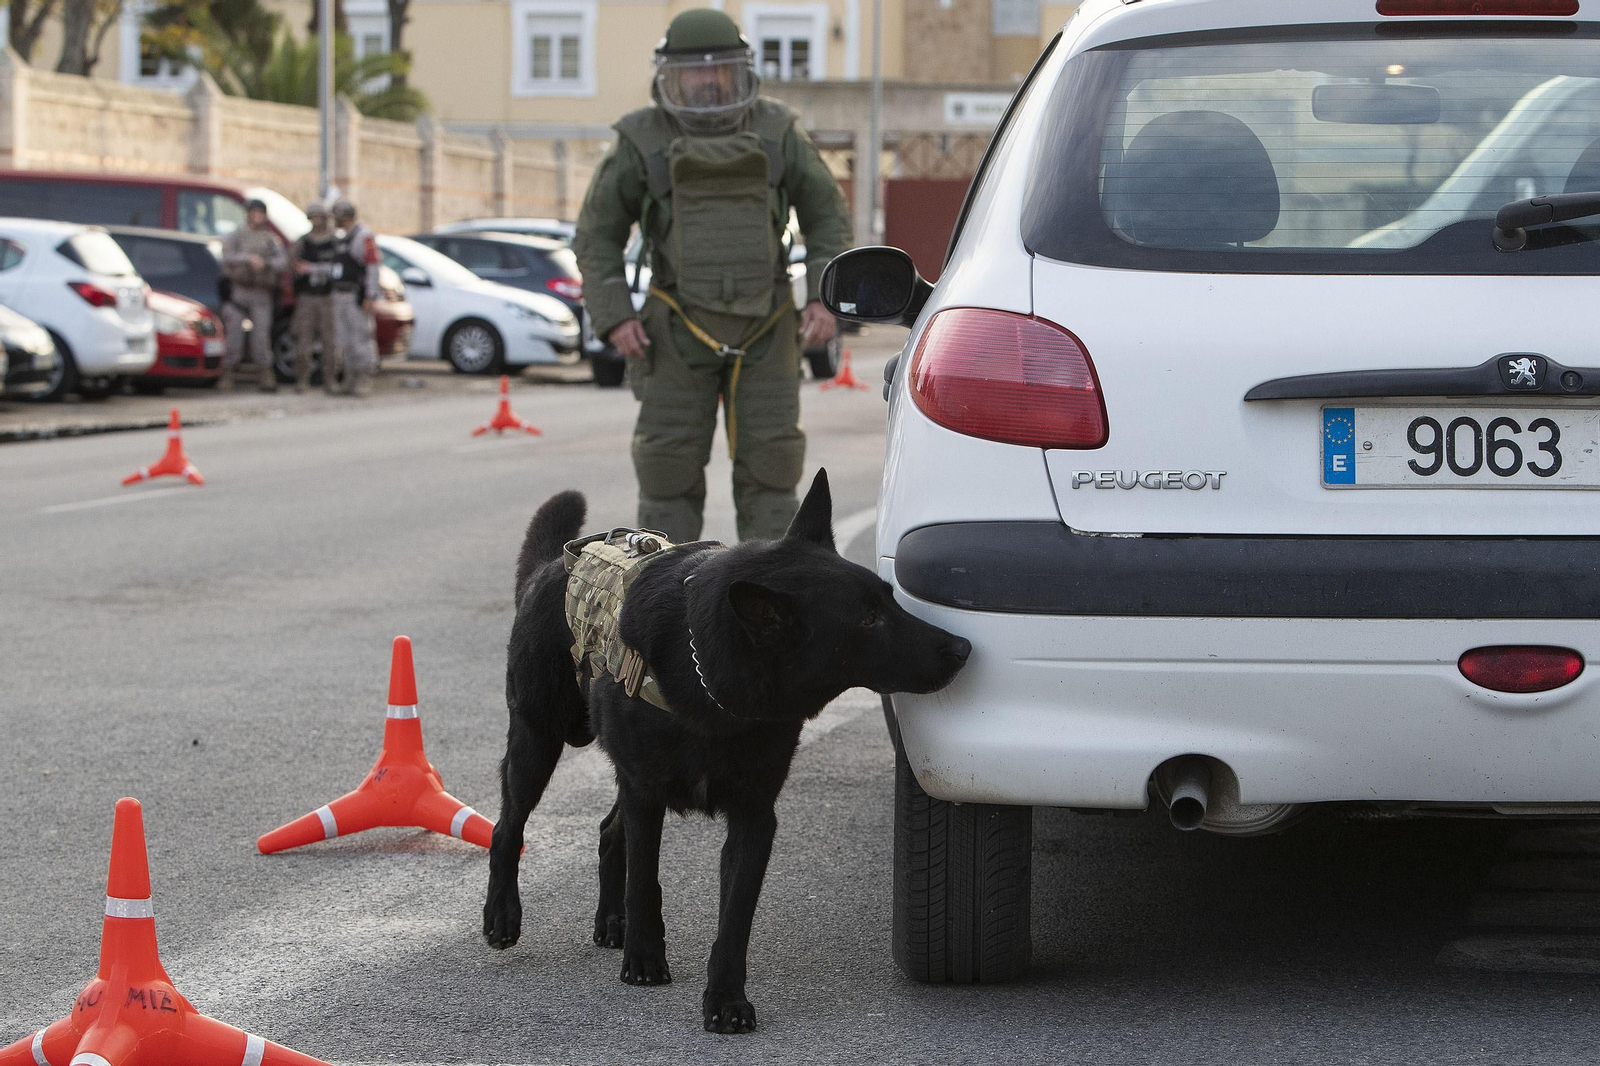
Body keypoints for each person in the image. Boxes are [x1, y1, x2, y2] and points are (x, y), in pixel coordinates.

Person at [572, 7, 851, 543]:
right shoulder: (642, 138)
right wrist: (615, 318)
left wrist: (823, 297)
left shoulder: (777, 130)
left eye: (719, 68)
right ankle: (664, 589)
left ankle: (767, 588)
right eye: (693, 71)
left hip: (768, 325)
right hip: (675, 329)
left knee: (772, 472)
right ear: (670, 77)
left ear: (740, 71)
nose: (708, 81)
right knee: (667, 474)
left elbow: (827, 215)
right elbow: (595, 235)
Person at [219, 199, 287, 392]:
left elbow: (282, 262)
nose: (257, 216)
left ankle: (265, 374)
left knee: (261, 337)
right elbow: (226, 257)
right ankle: (228, 373)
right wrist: (248, 259)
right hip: (239, 291)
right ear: (248, 214)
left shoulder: (270, 239)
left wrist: (265, 263)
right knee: (234, 335)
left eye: (261, 213)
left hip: (261, 292)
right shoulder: (236, 236)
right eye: (254, 212)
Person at [289, 203, 344, 393]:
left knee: (331, 342)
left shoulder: (335, 242)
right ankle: (302, 379)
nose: (317, 221)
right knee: (303, 341)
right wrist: (298, 269)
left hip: (328, 297)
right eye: (314, 217)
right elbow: (291, 265)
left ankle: (330, 380)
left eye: (321, 217)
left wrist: (312, 268)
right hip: (307, 297)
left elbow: (339, 268)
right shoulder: (303, 242)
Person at [330, 199, 381, 396]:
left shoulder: (363, 236)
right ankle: (349, 379)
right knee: (344, 340)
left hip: (355, 296)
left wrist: (370, 295)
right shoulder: (342, 237)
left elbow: (372, 267)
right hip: (339, 295)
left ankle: (364, 378)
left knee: (360, 338)